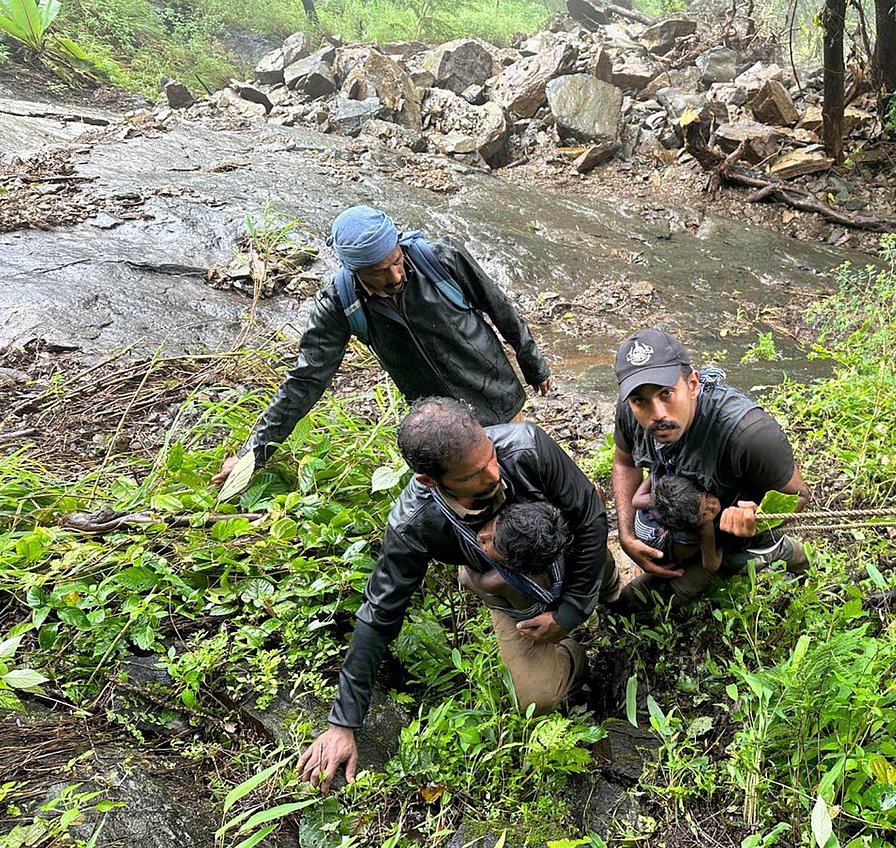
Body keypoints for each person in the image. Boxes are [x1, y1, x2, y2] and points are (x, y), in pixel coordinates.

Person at [297, 397, 615, 794]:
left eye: (491, 457)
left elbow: (589, 517)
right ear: (429, 481)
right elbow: (379, 614)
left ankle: (612, 592)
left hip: (560, 546)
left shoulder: (526, 447)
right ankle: (574, 655)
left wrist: (571, 610)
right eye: (474, 475)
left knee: (600, 567)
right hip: (502, 584)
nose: (494, 475)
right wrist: (342, 724)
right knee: (537, 697)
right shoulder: (415, 525)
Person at [213, 205, 551, 486]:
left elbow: (500, 308)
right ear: (354, 270)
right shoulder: (340, 305)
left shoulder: (441, 259)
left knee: (525, 471)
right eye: (378, 271)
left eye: (396, 260)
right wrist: (251, 456)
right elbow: (305, 381)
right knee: (475, 489)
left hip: (495, 394)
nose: (393, 276)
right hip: (438, 421)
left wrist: (532, 362)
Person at [611, 328, 810, 604]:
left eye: (666, 393)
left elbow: (799, 496)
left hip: (729, 538)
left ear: (693, 384)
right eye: (640, 400)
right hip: (681, 525)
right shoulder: (630, 411)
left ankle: (787, 551)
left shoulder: (749, 435)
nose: (657, 414)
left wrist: (759, 518)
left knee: (737, 561)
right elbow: (624, 462)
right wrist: (627, 535)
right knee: (630, 606)